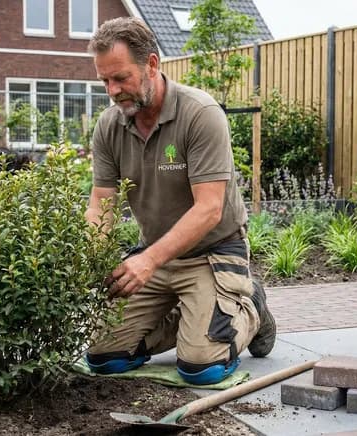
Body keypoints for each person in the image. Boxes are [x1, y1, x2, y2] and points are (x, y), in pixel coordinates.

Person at [84, 17, 276, 385]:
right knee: (103, 357)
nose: (112, 90)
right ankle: (195, 313)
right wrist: (93, 258)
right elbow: (101, 204)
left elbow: (209, 209)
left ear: (152, 65)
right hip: (154, 255)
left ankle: (250, 303)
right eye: (105, 81)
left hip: (212, 251)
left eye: (121, 78)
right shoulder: (110, 126)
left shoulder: (199, 114)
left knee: (201, 367)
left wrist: (147, 261)